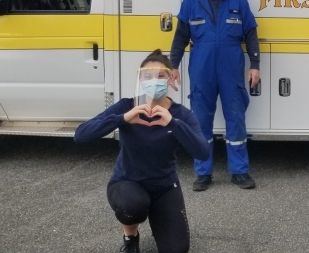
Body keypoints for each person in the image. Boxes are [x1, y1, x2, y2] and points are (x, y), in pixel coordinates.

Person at [74, 50, 211, 253]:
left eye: (160, 76)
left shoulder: (181, 114)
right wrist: (122, 118)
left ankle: (160, 221)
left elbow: (202, 152)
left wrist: (173, 123)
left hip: (164, 187)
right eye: (147, 76)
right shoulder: (126, 106)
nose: (153, 81)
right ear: (140, 79)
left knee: (177, 250)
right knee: (132, 207)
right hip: (128, 183)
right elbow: (81, 135)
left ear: (170, 78)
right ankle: (131, 236)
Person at [169, 0, 261, 191]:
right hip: (201, 67)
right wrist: (173, 66)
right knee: (200, 121)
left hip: (231, 67)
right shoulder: (191, 1)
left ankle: (239, 171)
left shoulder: (238, 1)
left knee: (236, 118)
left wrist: (255, 65)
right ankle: (203, 172)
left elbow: (251, 35)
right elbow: (180, 38)